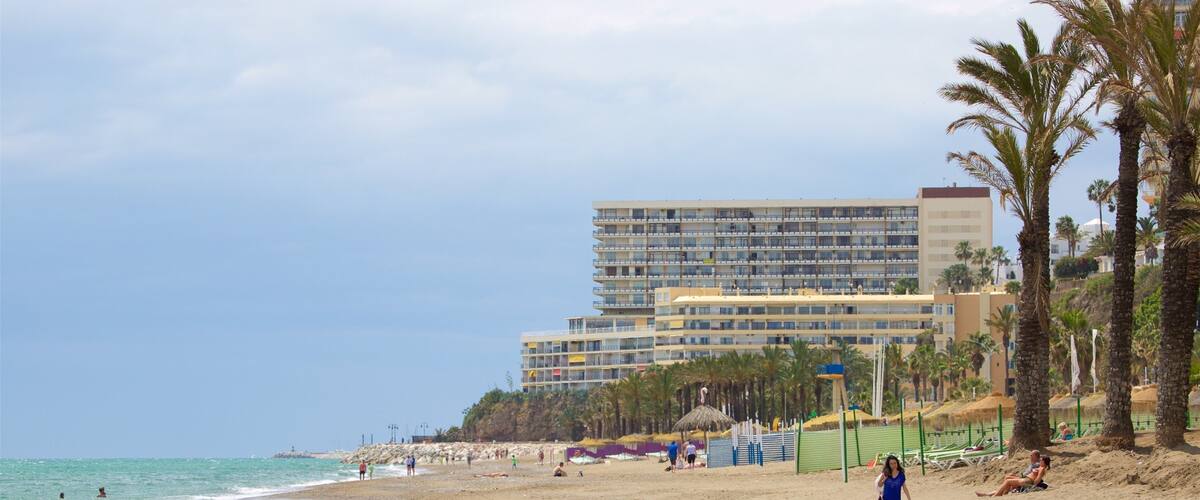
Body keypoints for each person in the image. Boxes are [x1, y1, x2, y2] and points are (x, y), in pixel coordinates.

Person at [977, 456, 1050, 497]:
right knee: (1007, 477)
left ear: (1044, 462)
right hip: (1025, 479)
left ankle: (996, 495)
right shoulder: (1040, 467)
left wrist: (1032, 485)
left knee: (1008, 481)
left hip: (1027, 481)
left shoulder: (1042, 468)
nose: (1040, 461)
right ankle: (998, 493)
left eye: (1041, 460)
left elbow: (1037, 479)